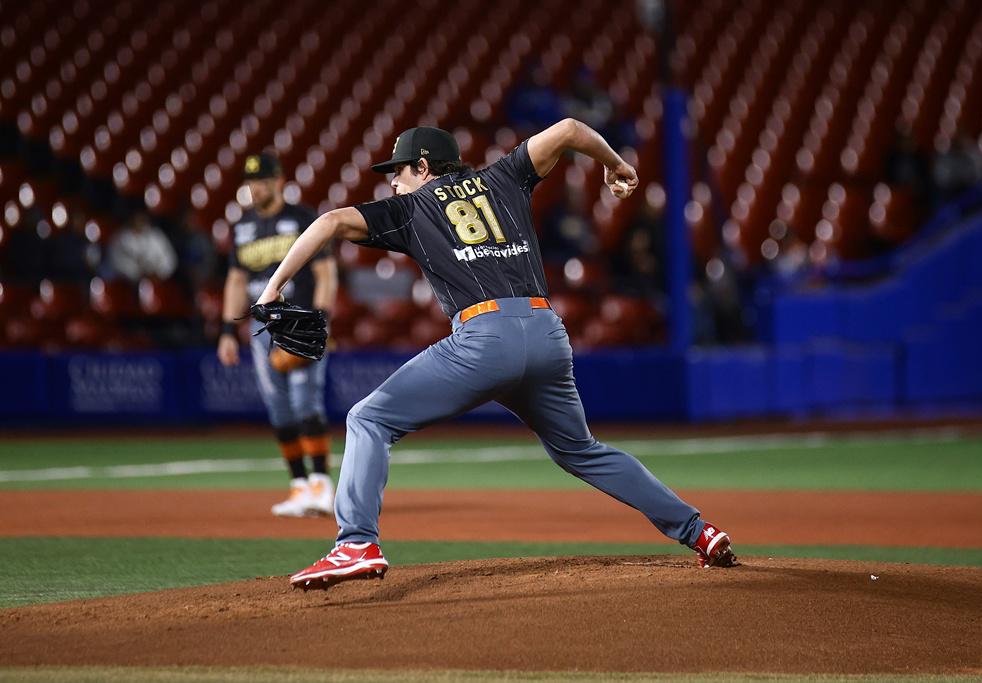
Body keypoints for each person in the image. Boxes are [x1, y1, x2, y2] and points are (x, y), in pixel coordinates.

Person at [256, 120, 738, 589]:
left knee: (369, 419)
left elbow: (330, 221)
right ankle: (699, 531)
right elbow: (570, 128)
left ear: (424, 168)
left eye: (398, 171)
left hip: (484, 339)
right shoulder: (503, 177)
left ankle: (357, 542)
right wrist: (613, 164)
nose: (393, 182)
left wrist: (274, 288)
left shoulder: (412, 207)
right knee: (582, 450)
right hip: (548, 334)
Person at [218, 152, 339, 517]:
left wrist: (322, 321)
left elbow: (326, 272)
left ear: (278, 181)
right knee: (278, 406)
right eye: (251, 181)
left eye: (262, 180)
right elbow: (236, 281)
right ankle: (299, 485)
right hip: (261, 326)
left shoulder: (301, 218)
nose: (255, 187)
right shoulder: (242, 226)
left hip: (298, 320)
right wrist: (226, 330)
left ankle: (321, 484)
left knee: (305, 401)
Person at [106, 211, 178, 282]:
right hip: (129, 283)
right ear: (130, 220)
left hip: (157, 280)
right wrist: (139, 274)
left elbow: (170, 259)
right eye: (136, 219)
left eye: (142, 219)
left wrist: (159, 273)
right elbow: (117, 263)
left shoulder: (156, 235)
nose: (139, 222)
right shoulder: (119, 238)